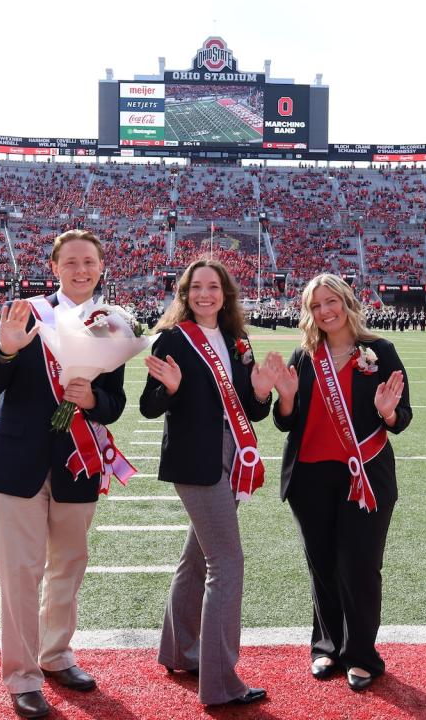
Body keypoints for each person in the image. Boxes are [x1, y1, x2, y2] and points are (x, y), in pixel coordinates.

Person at [0, 229, 126, 719]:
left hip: (77, 462)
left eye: (90, 262)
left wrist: (94, 400)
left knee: (68, 567)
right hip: (16, 462)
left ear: (101, 267)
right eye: (72, 262)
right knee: (19, 572)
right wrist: (11, 349)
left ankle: (56, 655)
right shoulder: (27, 311)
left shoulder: (111, 323)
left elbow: (115, 404)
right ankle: (22, 677)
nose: (81, 270)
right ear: (55, 267)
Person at [139, 257, 280, 708]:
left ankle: (179, 650)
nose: (205, 294)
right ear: (185, 293)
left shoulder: (238, 340)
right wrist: (171, 389)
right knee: (227, 561)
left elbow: (254, 410)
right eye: (196, 287)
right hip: (194, 459)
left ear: (225, 294)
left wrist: (260, 391)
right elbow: (147, 406)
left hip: (232, 454)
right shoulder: (172, 339)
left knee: (197, 558)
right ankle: (220, 683)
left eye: (213, 287)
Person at [270, 273, 411, 692]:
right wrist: (288, 398)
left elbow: (403, 418)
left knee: (360, 566)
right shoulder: (304, 355)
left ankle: (362, 655)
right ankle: (326, 647)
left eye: (330, 301)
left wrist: (387, 412)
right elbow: (285, 422)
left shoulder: (379, 351)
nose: (324, 311)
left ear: (347, 302)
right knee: (323, 566)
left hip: (365, 474)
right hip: (310, 476)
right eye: (315, 306)